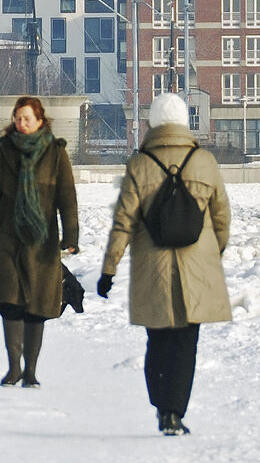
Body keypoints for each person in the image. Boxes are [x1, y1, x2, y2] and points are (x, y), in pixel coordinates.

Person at [99, 91, 232, 435]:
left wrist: (109, 268)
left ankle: (160, 407)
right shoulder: (204, 162)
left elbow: (123, 221)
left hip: (151, 267)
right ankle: (175, 411)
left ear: (153, 123)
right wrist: (213, 253)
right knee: (187, 343)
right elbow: (222, 217)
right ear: (185, 123)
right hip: (197, 269)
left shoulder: (140, 165)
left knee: (157, 339)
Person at [0, 95, 79, 387]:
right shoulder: (4, 152)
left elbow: (67, 198)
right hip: (7, 239)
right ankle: (13, 367)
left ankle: (30, 370)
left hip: (41, 241)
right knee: (10, 303)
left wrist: (71, 236)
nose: (21, 123)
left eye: (27, 118)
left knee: (37, 307)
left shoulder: (56, 153)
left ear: (40, 121)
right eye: (17, 118)